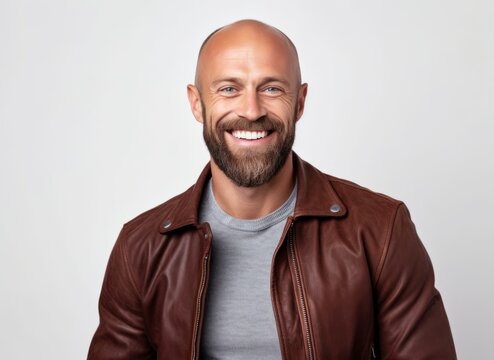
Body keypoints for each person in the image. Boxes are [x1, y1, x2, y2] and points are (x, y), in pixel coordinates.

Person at [88, 19, 456, 359]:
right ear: (197, 104)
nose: (251, 110)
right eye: (229, 89)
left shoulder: (380, 231)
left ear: (300, 102)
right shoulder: (141, 247)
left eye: (272, 88)